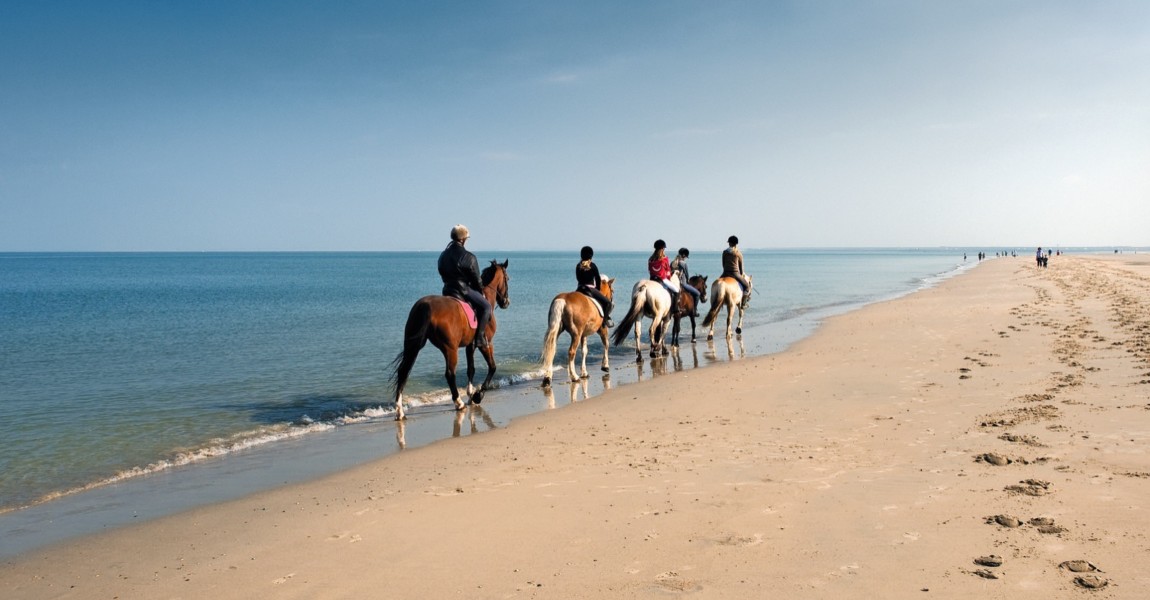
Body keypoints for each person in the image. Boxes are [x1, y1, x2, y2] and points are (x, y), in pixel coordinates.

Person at [438, 224, 491, 348]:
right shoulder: (469, 257)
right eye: (466, 238)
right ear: (462, 239)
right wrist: (480, 292)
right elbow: (477, 280)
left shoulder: (442, 255)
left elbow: (441, 271)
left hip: (446, 290)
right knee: (487, 307)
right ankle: (479, 338)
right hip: (463, 291)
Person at [576, 246, 613, 328]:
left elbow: (578, 278)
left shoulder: (578, 266)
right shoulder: (593, 265)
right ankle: (604, 321)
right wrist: (597, 290)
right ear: (591, 256)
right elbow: (598, 279)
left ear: (581, 255)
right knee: (608, 303)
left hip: (579, 289)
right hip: (590, 289)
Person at [648, 239, 680, 312]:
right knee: (676, 290)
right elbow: (668, 271)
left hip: (652, 279)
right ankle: (675, 308)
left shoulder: (650, 259)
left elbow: (649, 270)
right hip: (662, 279)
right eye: (664, 248)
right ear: (662, 249)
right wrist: (668, 278)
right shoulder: (664, 259)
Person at [722, 235, 751, 309]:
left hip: (725, 273)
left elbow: (723, 264)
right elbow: (741, 269)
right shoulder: (738, 253)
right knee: (747, 287)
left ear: (729, 243)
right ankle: (743, 304)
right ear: (736, 244)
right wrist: (741, 275)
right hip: (734, 274)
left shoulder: (724, 252)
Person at [670, 247, 701, 317]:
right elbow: (687, 275)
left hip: (672, 283)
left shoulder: (672, 262)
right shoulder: (683, 263)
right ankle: (694, 310)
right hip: (682, 284)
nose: (686, 258)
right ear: (684, 255)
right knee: (697, 294)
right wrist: (687, 281)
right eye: (686, 256)